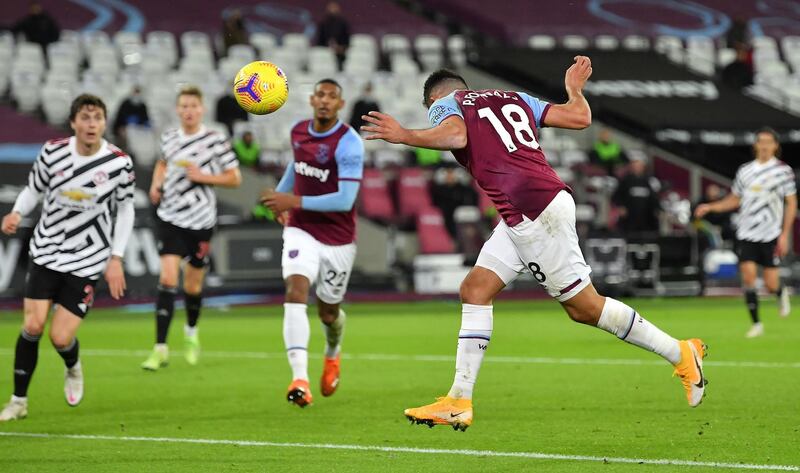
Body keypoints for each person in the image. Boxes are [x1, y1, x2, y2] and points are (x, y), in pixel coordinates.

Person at [360, 61, 707, 431]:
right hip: (532, 205)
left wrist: (405, 135)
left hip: (532, 209)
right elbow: (578, 118)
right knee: (475, 289)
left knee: (584, 308)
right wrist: (574, 89)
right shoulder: (515, 97)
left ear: (435, 97)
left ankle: (680, 352)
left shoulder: (450, 102)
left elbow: (455, 136)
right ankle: (458, 400)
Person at [0, 94, 135, 421]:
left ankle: (73, 365)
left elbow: (126, 209)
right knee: (32, 325)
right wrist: (17, 212)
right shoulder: (53, 152)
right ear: (73, 122)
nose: (91, 124)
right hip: (46, 251)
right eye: (85, 118)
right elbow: (33, 189)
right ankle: (18, 400)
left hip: (88, 259)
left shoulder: (119, 163)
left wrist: (115, 258)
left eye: (97, 118)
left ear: (105, 123)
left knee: (61, 337)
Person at [261, 78, 364, 408]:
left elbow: (346, 200)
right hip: (301, 229)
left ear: (340, 104)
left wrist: (293, 201)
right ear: (311, 99)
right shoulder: (298, 131)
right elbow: (298, 164)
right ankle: (300, 379)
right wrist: (282, 194)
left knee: (328, 312)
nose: (324, 100)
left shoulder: (349, 143)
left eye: (332, 96)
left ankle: (333, 353)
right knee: (295, 289)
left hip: (338, 239)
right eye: (320, 94)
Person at [141, 86, 242, 371]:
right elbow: (162, 164)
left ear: (202, 109)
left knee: (193, 285)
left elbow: (235, 178)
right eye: (183, 106)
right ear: (177, 109)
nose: (188, 111)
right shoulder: (170, 137)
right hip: (170, 217)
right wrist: (155, 184)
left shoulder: (215, 140)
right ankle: (159, 348)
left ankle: (191, 332)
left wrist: (205, 177)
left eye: (193, 106)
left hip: (200, 221)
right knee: (168, 278)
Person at [695, 127, 795, 338]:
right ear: (755, 145)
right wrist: (711, 207)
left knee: (770, 283)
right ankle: (757, 324)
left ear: (776, 145)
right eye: (761, 141)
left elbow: (791, 203)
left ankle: (780, 292)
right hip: (746, 233)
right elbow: (735, 199)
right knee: (748, 279)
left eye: (769, 142)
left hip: (770, 234)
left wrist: (785, 234)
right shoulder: (745, 171)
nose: (765, 145)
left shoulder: (783, 172)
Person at [612, 155, 661, 235]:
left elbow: (654, 198)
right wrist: (621, 206)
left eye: (639, 165)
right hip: (629, 217)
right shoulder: (625, 180)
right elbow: (616, 196)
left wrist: (657, 209)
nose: (637, 167)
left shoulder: (649, 181)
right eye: (635, 165)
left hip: (646, 217)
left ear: (643, 167)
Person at [113, 86, 150, 151]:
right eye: (135, 92)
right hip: (124, 128)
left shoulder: (142, 105)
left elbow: (145, 118)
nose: (136, 95)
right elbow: (119, 118)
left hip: (137, 129)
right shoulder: (125, 103)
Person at [316, 1, 350, 69]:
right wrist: (326, 47)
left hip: (340, 53)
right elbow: (320, 39)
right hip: (325, 51)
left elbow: (346, 38)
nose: (333, 9)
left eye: (334, 7)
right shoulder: (323, 23)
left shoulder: (343, 23)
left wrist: (341, 47)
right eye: (331, 7)